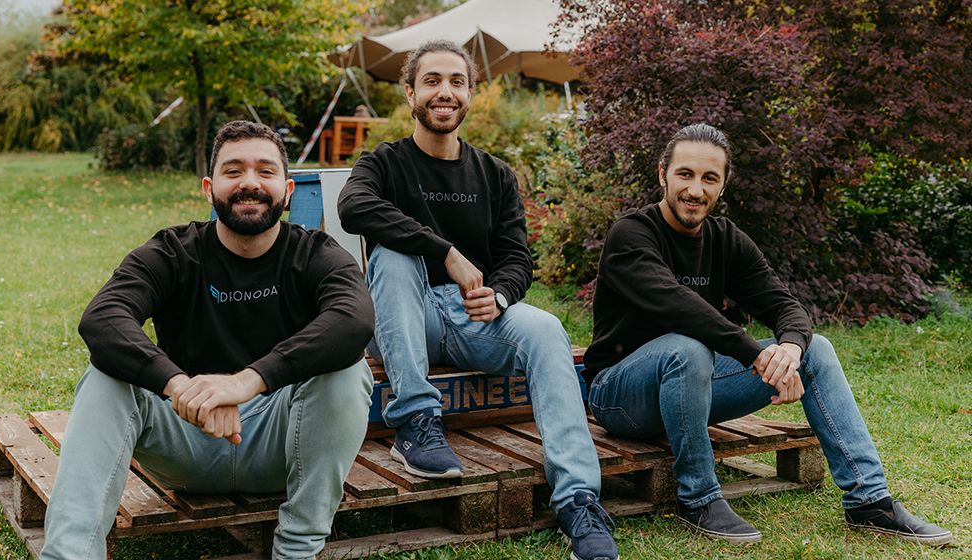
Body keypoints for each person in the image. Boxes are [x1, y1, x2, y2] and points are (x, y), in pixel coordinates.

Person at [582, 123, 953, 546]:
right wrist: (754, 354)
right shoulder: (631, 234)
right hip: (618, 397)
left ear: (723, 185)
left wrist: (790, 349)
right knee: (687, 347)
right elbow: (677, 305)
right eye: (685, 174)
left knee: (817, 350)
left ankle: (870, 501)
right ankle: (699, 498)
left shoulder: (726, 239)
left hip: (693, 390)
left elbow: (785, 306)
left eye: (709, 178)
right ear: (662, 173)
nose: (695, 190)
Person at [40, 121, 376, 560]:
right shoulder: (172, 252)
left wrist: (248, 381)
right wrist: (180, 386)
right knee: (105, 377)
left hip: (281, 446)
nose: (250, 183)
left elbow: (354, 320)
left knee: (348, 371)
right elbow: (103, 318)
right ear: (208, 186)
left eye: (265, 172)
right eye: (233, 171)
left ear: (288, 188)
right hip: (182, 439)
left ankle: (297, 550)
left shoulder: (315, 253)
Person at [337, 40, 619, 560]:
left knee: (546, 329)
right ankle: (417, 422)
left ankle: (577, 498)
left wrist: (502, 294)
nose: (445, 91)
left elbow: (516, 257)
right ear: (410, 93)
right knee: (395, 257)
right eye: (432, 81)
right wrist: (443, 251)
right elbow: (353, 208)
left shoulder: (495, 175)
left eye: (457, 82)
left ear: (469, 94)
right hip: (407, 315)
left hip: (473, 319)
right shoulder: (384, 162)